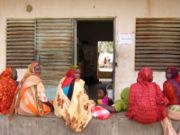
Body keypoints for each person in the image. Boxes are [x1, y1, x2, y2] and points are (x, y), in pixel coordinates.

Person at [53, 66, 95, 132]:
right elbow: (72, 97)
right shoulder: (74, 83)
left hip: (62, 106)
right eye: (76, 73)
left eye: (79, 73)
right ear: (72, 72)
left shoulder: (64, 79)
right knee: (85, 103)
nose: (78, 75)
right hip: (68, 105)